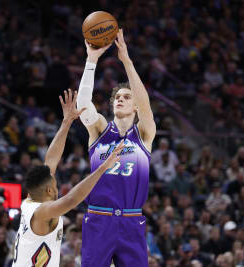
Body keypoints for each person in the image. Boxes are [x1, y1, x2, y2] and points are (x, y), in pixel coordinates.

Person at [12, 90, 124, 267]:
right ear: (49, 190)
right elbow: (71, 199)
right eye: (55, 183)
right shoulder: (42, 212)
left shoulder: (29, 202)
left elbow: (51, 160)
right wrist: (103, 168)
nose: (57, 186)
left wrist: (66, 122)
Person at [76, 29, 156, 266]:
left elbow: (145, 103)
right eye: (117, 97)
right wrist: (92, 60)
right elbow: (82, 104)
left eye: (126, 97)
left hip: (131, 220)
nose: (120, 99)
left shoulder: (143, 134)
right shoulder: (100, 129)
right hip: (99, 218)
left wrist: (127, 61)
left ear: (136, 107)